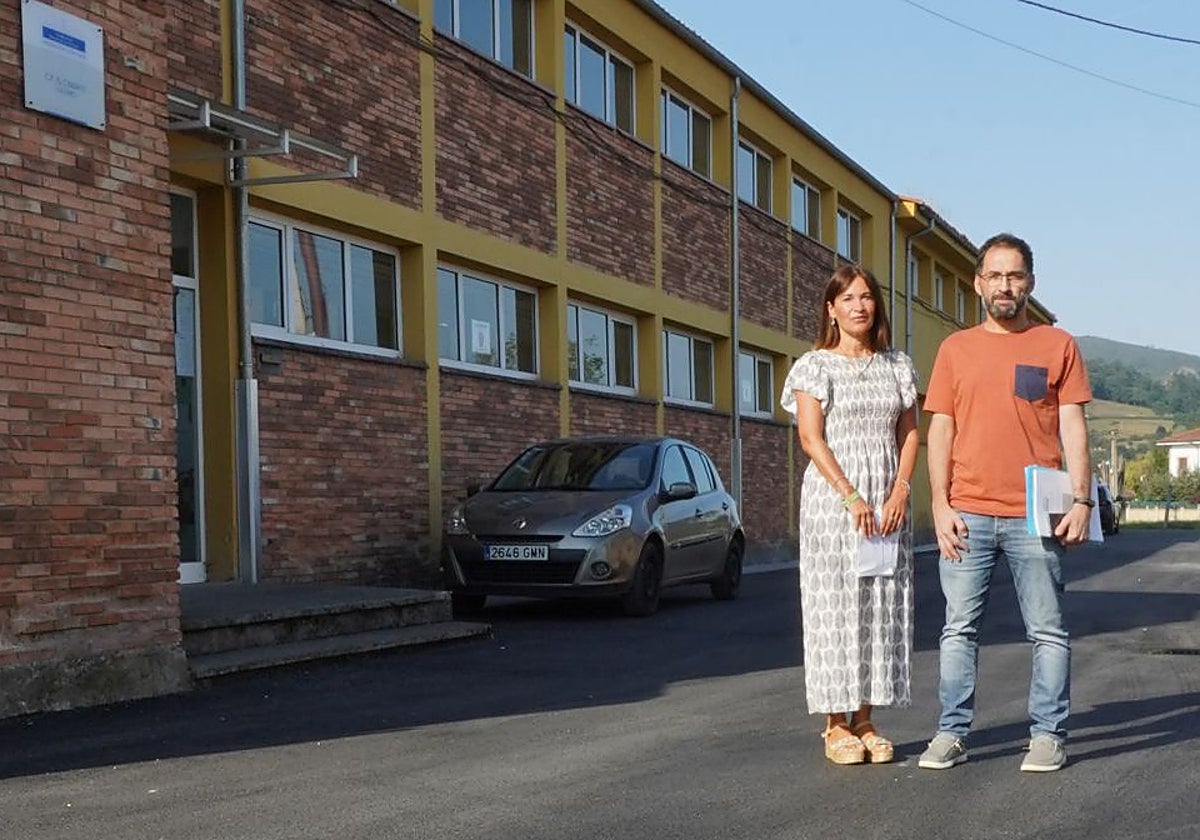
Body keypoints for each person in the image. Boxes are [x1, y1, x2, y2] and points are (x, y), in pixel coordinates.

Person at [918, 232, 1092, 774]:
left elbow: (1073, 427)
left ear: (1030, 283)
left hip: (1035, 514)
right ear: (977, 283)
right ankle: (951, 732)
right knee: (958, 630)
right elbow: (940, 431)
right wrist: (940, 506)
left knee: (1047, 630)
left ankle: (1047, 736)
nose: (1004, 285)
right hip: (966, 512)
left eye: (1014, 276)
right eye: (994, 276)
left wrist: (1082, 499)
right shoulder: (955, 349)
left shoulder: (1056, 345)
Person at [781, 265, 920, 766]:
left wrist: (901, 489)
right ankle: (835, 724)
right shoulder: (814, 366)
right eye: (849, 298)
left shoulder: (898, 366)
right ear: (831, 308)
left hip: (887, 505)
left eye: (867, 297)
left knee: (878, 607)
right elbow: (810, 438)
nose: (860, 306)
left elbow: (909, 433)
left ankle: (865, 718)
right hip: (834, 506)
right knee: (834, 610)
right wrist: (850, 497)